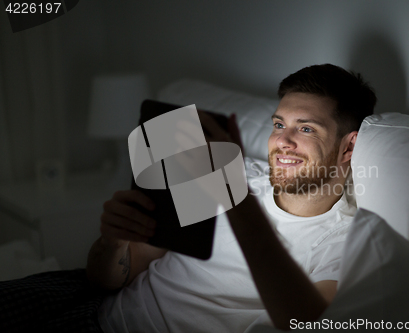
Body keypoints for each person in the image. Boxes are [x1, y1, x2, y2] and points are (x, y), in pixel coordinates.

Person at [0, 64, 376, 333]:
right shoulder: (233, 171)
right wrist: (114, 241)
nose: (282, 142)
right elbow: (112, 277)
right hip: (94, 307)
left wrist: (235, 197)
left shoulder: (348, 242)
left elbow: (304, 320)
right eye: (279, 124)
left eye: (306, 128)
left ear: (349, 147)